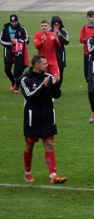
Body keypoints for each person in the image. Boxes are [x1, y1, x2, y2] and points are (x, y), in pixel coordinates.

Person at [20, 55, 67, 184]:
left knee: (50, 145)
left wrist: (56, 85)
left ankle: (53, 174)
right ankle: (28, 173)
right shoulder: (25, 79)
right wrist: (43, 86)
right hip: (32, 118)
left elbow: (56, 95)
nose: (47, 65)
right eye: (44, 64)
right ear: (37, 65)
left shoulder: (49, 77)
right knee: (29, 146)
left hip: (47, 116)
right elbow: (29, 96)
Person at [0, 14, 29, 93]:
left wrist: (18, 42)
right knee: (7, 70)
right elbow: (1, 40)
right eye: (12, 22)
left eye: (15, 21)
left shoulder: (22, 29)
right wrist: (10, 44)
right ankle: (13, 82)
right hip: (8, 52)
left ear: (17, 21)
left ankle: (17, 86)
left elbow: (27, 39)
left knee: (19, 69)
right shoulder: (5, 29)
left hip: (18, 52)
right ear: (10, 22)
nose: (14, 23)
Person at [80, 11, 94, 122]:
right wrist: (89, 39)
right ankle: (89, 84)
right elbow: (81, 39)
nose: (91, 19)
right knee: (86, 71)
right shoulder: (84, 28)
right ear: (87, 18)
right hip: (87, 53)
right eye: (89, 17)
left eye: (92, 17)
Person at [49, 16, 69, 88]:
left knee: (60, 72)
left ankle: (58, 88)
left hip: (61, 55)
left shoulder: (64, 32)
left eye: (58, 24)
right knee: (51, 72)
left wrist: (59, 35)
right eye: (55, 25)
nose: (57, 26)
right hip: (51, 55)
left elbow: (66, 42)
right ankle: (51, 86)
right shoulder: (49, 32)